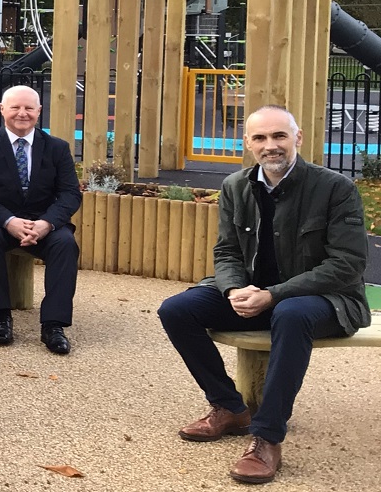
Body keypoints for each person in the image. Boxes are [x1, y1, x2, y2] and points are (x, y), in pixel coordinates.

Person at [157, 105, 369, 485]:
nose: (270, 146)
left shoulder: (335, 188)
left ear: (297, 138)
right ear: (248, 144)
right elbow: (226, 252)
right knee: (177, 310)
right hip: (258, 294)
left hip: (327, 300)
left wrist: (273, 295)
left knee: (291, 314)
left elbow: (348, 264)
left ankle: (267, 437)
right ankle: (229, 407)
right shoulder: (235, 186)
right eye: (260, 138)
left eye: (279, 136)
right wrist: (234, 289)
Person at [0, 85, 81, 354]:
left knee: (65, 243)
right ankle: (2, 316)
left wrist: (47, 223)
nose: (22, 113)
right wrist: (9, 221)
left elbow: (70, 194)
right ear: (2, 109)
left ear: (39, 111)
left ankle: (53, 325)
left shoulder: (57, 148)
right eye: (15, 107)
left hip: (42, 222)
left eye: (29, 108)